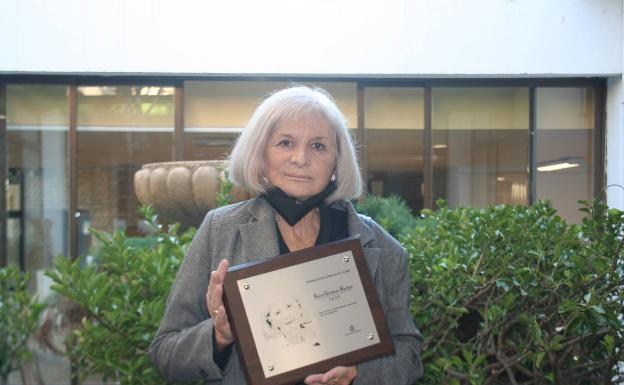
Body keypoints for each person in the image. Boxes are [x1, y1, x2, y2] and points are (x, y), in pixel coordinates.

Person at [149, 86, 423, 385]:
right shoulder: (220, 229)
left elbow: (410, 358)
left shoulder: (384, 248)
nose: (300, 158)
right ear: (261, 154)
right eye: (286, 142)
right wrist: (219, 334)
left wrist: (359, 374)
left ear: (337, 160)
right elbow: (166, 353)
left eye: (318, 146)